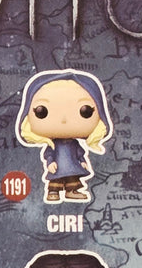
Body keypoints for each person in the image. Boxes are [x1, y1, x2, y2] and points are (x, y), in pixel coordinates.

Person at [16, 71, 113, 202]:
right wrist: (50, 163)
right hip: (58, 166)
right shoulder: (52, 144)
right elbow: (49, 153)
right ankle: (53, 191)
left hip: (72, 166)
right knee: (55, 180)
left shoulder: (74, 144)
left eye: (85, 111)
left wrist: (83, 161)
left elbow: (80, 153)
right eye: (42, 111)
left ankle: (71, 191)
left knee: (73, 179)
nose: (63, 120)